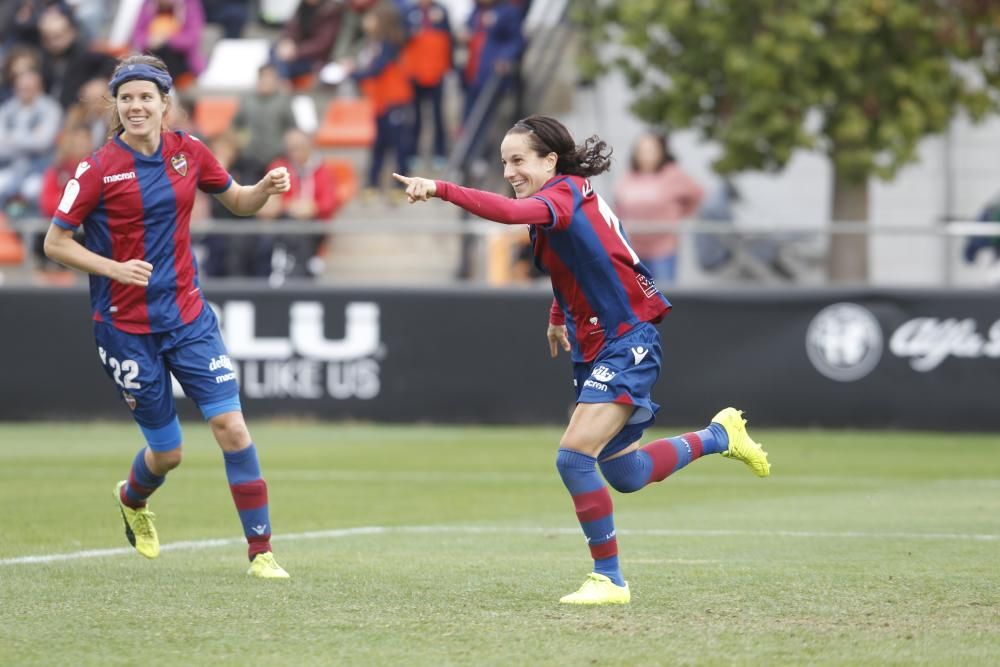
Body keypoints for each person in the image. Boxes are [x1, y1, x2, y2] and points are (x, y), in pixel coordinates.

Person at [393, 114, 771, 605]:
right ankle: (721, 435)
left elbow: (508, 215)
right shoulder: (558, 201)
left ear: (550, 160)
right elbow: (571, 264)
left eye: (518, 160)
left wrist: (439, 187)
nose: (509, 170)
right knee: (626, 474)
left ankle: (609, 580)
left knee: (573, 458)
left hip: (627, 339)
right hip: (597, 345)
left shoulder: (563, 194)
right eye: (505, 161)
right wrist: (557, 315)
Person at [43, 54, 292, 578]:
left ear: (164, 104)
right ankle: (132, 499)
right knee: (169, 453)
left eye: (146, 97)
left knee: (232, 427)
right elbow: (55, 242)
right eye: (127, 98)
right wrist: (113, 267)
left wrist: (265, 190)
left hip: (189, 318)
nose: (137, 106)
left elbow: (240, 203)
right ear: (118, 105)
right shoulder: (97, 168)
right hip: (124, 327)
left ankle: (261, 551)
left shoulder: (190, 153)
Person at [613, 130, 704, 283]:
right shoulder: (629, 177)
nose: (645, 155)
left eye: (650, 150)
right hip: (633, 249)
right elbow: (618, 205)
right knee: (637, 299)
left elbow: (697, 195)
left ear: (661, 152)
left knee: (663, 295)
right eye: (641, 151)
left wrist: (680, 215)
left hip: (662, 249)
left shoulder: (672, 174)